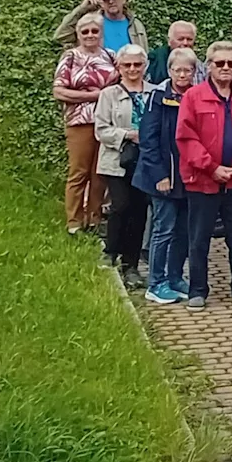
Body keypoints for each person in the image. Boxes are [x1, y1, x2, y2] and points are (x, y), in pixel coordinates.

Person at [176, 41, 232, 310]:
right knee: (199, 238)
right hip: (203, 180)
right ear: (209, 67)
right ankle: (198, 290)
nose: (226, 68)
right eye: (220, 63)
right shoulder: (193, 97)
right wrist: (211, 167)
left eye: (231, 63)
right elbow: (186, 137)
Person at [135, 47, 197, 305]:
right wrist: (160, 174)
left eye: (187, 69)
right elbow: (148, 140)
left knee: (184, 230)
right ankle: (156, 282)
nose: (182, 74)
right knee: (164, 229)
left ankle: (175, 277)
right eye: (177, 69)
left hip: (188, 176)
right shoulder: (157, 97)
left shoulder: (196, 95)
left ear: (194, 72)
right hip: (163, 176)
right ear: (170, 70)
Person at [93, 44, 155, 286]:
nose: (132, 69)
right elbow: (101, 130)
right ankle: (111, 252)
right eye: (127, 65)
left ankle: (131, 264)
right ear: (119, 67)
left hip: (146, 161)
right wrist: (129, 134)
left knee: (140, 211)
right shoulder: (108, 94)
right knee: (121, 205)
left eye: (137, 65)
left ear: (144, 66)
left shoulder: (154, 92)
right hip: (117, 160)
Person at [53, 12, 118, 235]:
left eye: (94, 31)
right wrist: (94, 96)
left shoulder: (110, 56)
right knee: (79, 171)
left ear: (101, 33)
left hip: (107, 121)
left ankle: (94, 219)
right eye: (85, 32)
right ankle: (73, 221)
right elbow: (59, 90)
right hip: (80, 121)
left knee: (100, 173)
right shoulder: (71, 57)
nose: (90, 35)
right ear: (78, 34)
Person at [55, 0, 149, 53]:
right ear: (101, 2)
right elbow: (61, 36)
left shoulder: (135, 24)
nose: (111, 1)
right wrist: (81, 8)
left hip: (128, 74)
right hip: (98, 74)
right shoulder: (91, 22)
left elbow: (144, 54)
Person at [146, 20, 204, 84]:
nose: (185, 43)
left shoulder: (200, 66)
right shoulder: (153, 61)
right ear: (169, 41)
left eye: (189, 39)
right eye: (180, 39)